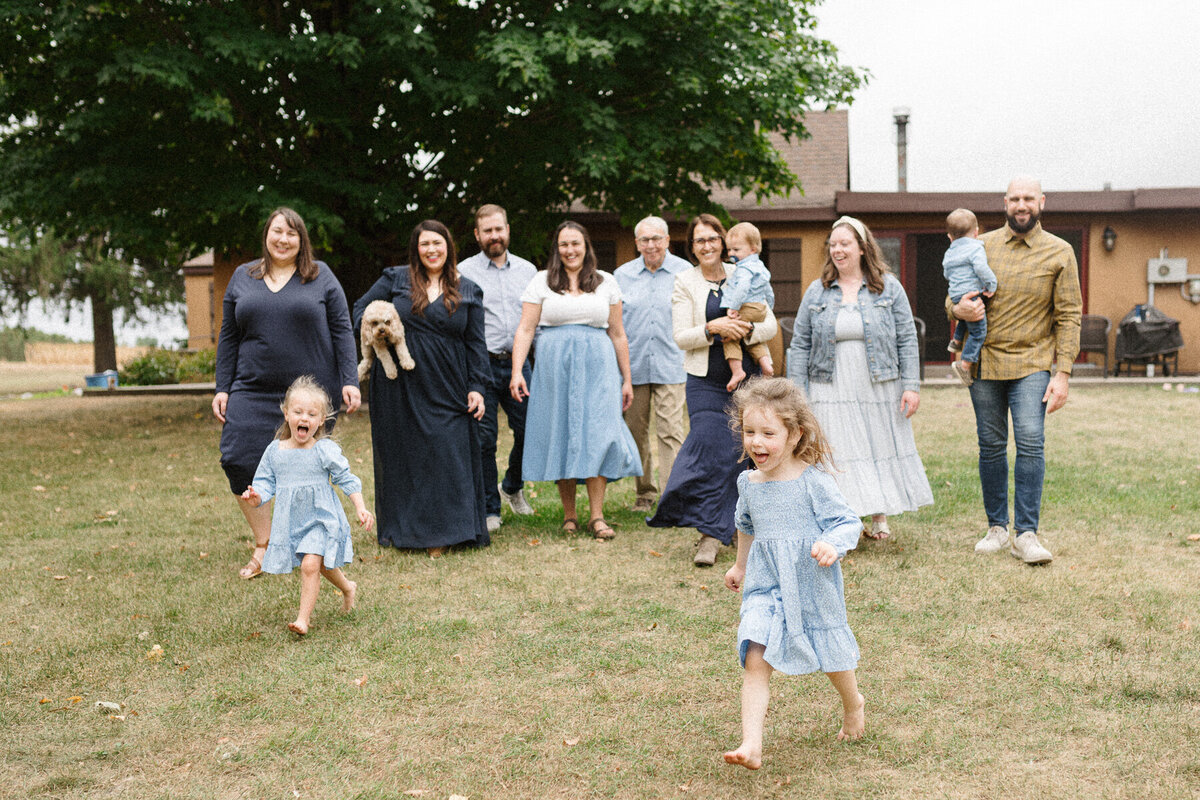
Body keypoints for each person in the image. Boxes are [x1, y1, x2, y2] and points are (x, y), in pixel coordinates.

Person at [722, 377, 865, 770]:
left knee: (832, 657)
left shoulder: (812, 481)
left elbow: (847, 522)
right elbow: (746, 525)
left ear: (794, 434)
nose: (757, 442)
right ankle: (751, 743)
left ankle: (853, 704)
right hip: (765, 586)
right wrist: (740, 565)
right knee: (755, 655)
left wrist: (831, 544)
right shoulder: (747, 482)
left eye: (769, 433)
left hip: (810, 583)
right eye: (750, 432)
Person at [213, 207, 360, 581]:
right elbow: (228, 335)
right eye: (277, 231)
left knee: (310, 468)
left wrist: (349, 379)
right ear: (266, 235)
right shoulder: (242, 277)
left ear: (302, 240)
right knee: (235, 456)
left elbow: (342, 329)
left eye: (292, 233)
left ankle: (312, 542)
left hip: (309, 393)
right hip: (252, 386)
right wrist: (223, 387)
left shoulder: (320, 276)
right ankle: (265, 542)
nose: (283, 239)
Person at [951, 177, 1081, 565]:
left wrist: (1064, 373)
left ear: (1041, 202)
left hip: (1033, 364)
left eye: (1029, 198)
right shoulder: (980, 246)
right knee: (990, 447)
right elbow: (954, 291)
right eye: (1014, 199)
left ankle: (1026, 535)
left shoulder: (1060, 252)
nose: (1021, 205)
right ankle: (996, 528)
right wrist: (956, 309)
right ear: (1005, 203)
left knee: (1030, 441)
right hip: (985, 363)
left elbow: (1070, 314)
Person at [787, 216, 933, 541]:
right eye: (834, 244)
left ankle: (879, 516)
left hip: (878, 383)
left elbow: (907, 337)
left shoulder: (888, 286)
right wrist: (796, 394)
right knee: (838, 449)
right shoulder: (818, 290)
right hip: (829, 382)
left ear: (863, 248)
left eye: (845, 244)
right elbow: (800, 343)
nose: (838, 250)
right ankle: (841, 521)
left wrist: (911, 385)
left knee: (875, 444)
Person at [647, 214, 778, 567]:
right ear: (692, 247)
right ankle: (709, 533)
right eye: (699, 240)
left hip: (748, 380)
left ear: (723, 242)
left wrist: (744, 331)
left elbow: (770, 322)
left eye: (712, 239)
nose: (707, 246)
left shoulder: (745, 271)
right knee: (712, 446)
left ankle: (734, 528)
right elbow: (681, 337)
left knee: (747, 452)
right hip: (705, 381)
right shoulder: (684, 282)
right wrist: (712, 327)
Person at [353, 220, 490, 557]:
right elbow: (360, 312)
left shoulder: (468, 288)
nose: (431, 250)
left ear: (449, 247)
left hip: (449, 383)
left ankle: (452, 530)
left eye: (438, 243)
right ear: (416, 248)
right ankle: (410, 531)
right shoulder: (395, 279)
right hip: (400, 384)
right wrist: (380, 334)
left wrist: (477, 387)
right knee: (407, 454)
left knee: (447, 452)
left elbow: (476, 344)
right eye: (424, 244)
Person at [509, 220, 641, 540]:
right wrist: (516, 372)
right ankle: (569, 515)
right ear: (557, 248)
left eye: (576, 244)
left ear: (586, 246)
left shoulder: (606, 282)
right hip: (554, 366)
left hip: (599, 365)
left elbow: (618, 333)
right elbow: (526, 329)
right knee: (562, 431)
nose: (570, 250)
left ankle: (597, 516)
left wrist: (627, 379)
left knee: (596, 432)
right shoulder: (542, 281)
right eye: (564, 244)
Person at [241, 377, 373, 635]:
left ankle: (303, 619)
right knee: (320, 565)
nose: (305, 418)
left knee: (310, 565)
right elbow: (265, 484)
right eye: (298, 412)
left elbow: (346, 478)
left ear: (321, 420)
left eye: (312, 414)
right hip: (293, 522)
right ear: (286, 413)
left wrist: (360, 506)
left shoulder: (323, 450)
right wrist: (256, 497)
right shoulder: (275, 451)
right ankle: (348, 588)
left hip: (321, 519)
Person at [458, 204, 538, 533]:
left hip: (520, 365)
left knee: (531, 431)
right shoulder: (462, 272)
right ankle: (491, 508)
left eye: (499, 229)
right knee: (484, 440)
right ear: (477, 235)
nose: (495, 236)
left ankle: (512, 485)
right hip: (481, 367)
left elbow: (536, 321)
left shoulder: (528, 271)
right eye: (487, 231)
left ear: (508, 230)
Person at [613, 215, 690, 514]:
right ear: (636, 243)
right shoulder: (621, 276)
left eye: (656, 238)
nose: (651, 244)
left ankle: (672, 496)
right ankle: (644, 492)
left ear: (668, 240)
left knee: (671, 430)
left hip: (672, 363)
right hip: (633, 368)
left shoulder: (685, 273)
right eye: (644, 239)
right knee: (636, 430)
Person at [943, 208, 998, 387]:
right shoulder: (975, 247)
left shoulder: (949, 252)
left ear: (950, 237)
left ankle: (956, 341)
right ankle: (965, 363)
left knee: (966, 319)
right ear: (976, 232)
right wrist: (991, 284)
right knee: (978, 331)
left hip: (956, 293)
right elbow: (981, 268)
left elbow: (946, 273)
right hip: (973, 291)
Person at [721, 222, 776, 391]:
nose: (731, 254)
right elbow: (769, 291)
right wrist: (769, 308)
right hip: (760, 308)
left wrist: (734, 307)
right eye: (729, 250)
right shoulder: (760, 267)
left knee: (729, 333)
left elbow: (742, 289)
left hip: (746, 306)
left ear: (752, 249)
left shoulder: (744, 268)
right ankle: (766, 364)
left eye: (736, 250)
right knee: (751, 338)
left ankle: (737, 371)